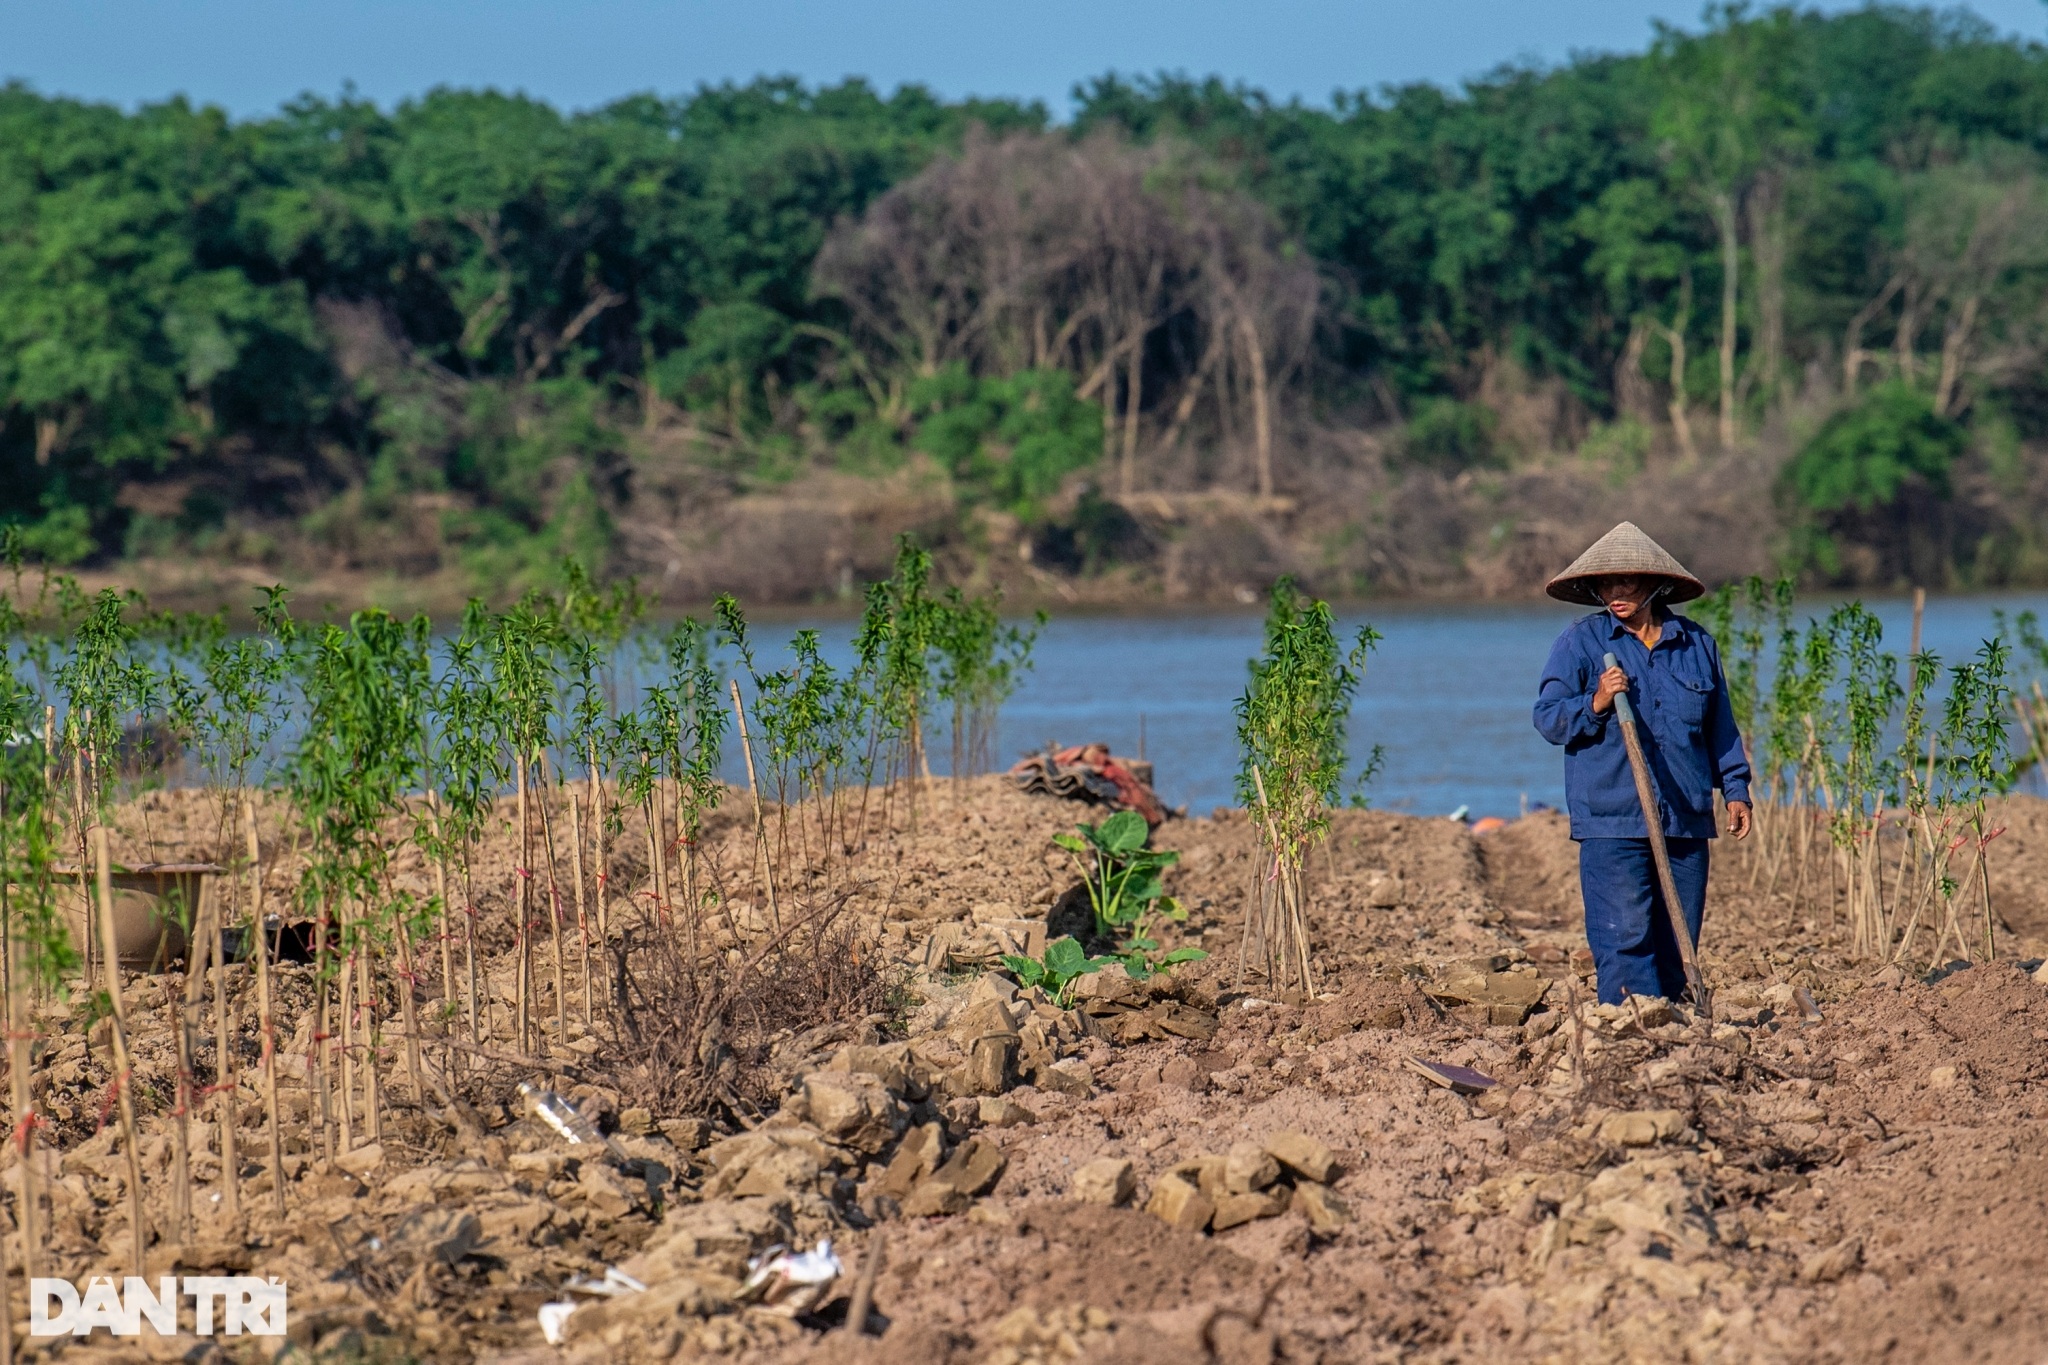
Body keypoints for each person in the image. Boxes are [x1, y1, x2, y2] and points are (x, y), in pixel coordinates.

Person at [1532, 522, 1751, 1005]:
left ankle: (1680, 1031)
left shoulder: (1696, 646)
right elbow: (1548, 719)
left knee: (1678, 939)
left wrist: (1735, 790)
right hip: (1613, 818)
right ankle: (1629, 1027)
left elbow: (1721, 729)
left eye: (1628, 582)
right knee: (1625, 935)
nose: (1616, 593)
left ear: (1657, 585)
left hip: (1685, 817)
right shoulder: (1581, 644)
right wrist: (1597, 701)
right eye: (1607, 584)